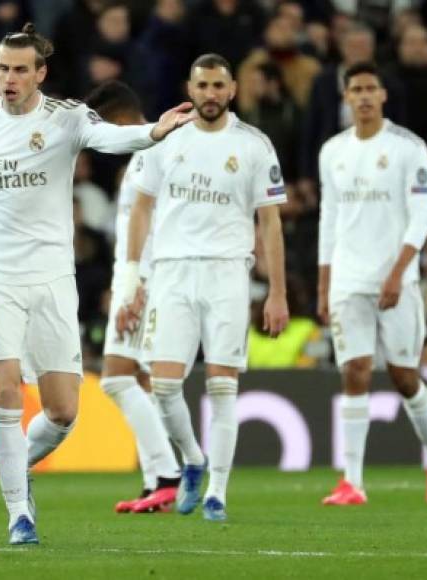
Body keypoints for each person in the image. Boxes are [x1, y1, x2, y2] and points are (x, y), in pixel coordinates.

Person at [0, 23, 194, 545]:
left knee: (63, 412)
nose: (9, 78)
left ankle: (17, 467)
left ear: (40, 73)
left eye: (20, 69)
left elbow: (109, 137)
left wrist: (153, 131)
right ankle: (19, 514)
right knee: (6, 390)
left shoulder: (66, 118)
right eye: (1, 68)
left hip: (53, 277)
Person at [120, 53, 290, 523]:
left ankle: (218, 491)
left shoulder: (254, 145)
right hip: (172, 271)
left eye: (218, 85)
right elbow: (140, 208)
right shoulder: (165, 139)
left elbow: (270, 223)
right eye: (203, 85)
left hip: (227, 273)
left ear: (232, 89)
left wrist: (277, 291)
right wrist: (134, 276)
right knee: (165, 385)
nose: (210, 94)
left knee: (222, 386)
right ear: (190, 89)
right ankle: (193, 460)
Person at [317, 62, 427, 506]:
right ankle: (352, 481)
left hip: (397, 277)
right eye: (355, 89)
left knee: (403, 376)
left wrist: (397, 272)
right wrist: (324, 283)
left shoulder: (407, 148)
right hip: (348, 279)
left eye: (371, 88)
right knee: (354, 371)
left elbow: (422, 215)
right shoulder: (332, 151)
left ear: (383, 95)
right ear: (346, 97)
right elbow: (329, 219)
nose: (364, 96)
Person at [84, 80, 181, 514]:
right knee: (141, 382)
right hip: (139, 280)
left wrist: (136, 288)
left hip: (151, 283)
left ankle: (168, 474)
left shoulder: (156, 153)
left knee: (117, 379)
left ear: (118, 120)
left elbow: (160, 233)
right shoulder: (142, 160)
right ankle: (154, 484)